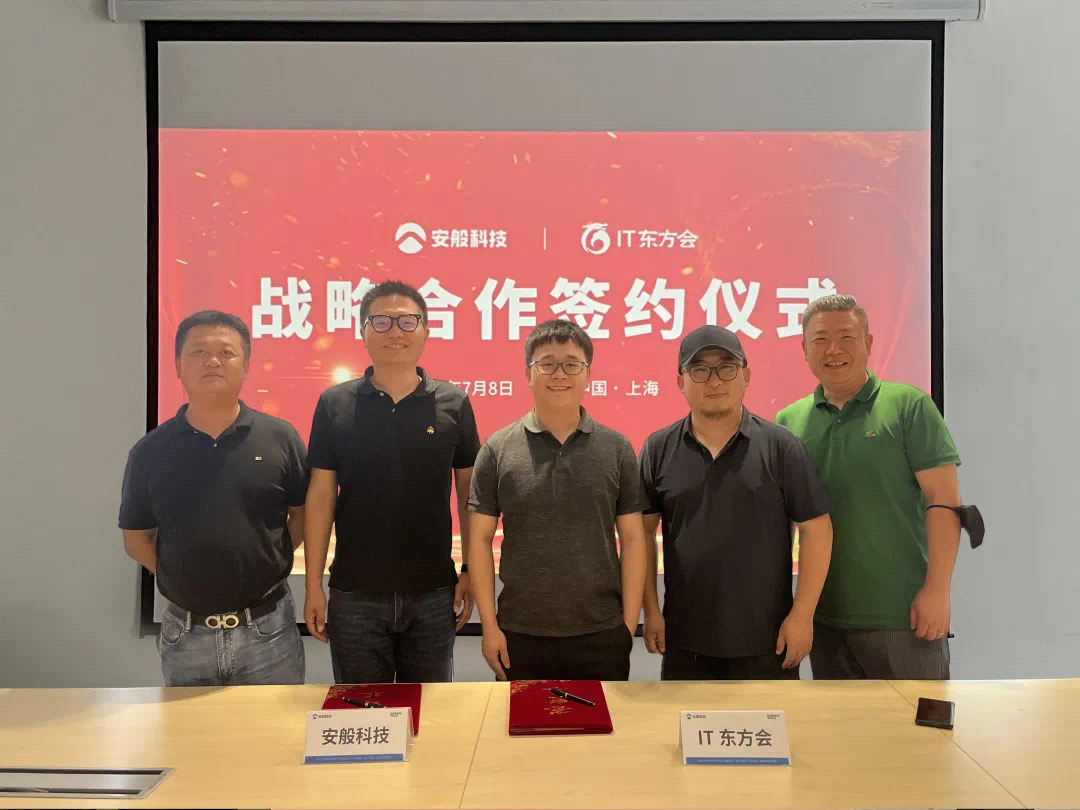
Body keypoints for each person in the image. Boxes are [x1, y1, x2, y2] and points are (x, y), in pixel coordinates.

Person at [776, 294, 962, 680]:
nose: (833, 350)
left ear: (869, 343)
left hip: (904, 617)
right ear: (804, 349)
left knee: (917, 721)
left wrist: (938, 590)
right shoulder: (789, 422)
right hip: (825, 621)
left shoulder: (909, 406)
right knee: (840, 722)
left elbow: (944, 500)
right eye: (820, 339)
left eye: (846, 337)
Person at [303, 280, 481, 684]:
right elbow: (321, 496)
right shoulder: (335, 404)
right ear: (363, 331)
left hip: (433, 592)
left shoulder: (453, 403)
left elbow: (469, 496)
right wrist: (313, 584)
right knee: (360, 712)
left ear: (426, 331)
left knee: (431, 712)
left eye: (407, 321)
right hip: (355, 594)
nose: (395, 332)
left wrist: (470, 570)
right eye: (381, 322)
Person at [119, 311, 308, 686]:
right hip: (185, 636)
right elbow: (136, 539)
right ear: (178, 366)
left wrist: (268, 559)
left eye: (226, 352)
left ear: (246, 366)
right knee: (189, 728)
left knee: (274, 725)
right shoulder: (150, 451)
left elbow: (303, 515)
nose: (212, 361)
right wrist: (184, 576)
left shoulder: (280, 438)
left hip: (269, 632)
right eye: (199, 352)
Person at [639, 325, 833, 680]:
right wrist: (650, 609)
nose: (714, 380)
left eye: (726, 367)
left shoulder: (781, 447)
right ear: (681, 381)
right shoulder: (658, 448)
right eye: (699, 369)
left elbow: (817, 529)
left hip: (768, 640)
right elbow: (642, 535)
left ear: (746, 375)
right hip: (685, 642)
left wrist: (802, 615)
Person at [467, 319, 649, 681]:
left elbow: (632, 539)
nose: (559, 374)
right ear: (528, 373)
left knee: (604, 721)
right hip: (519, 633)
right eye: (547, 363)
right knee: (522, 720)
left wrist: (627, 627)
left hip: (602, 632)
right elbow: (479, 540)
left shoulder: (617, 448)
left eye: (571, 364)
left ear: (588, 374)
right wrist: (489, 626)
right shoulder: (498, 448)